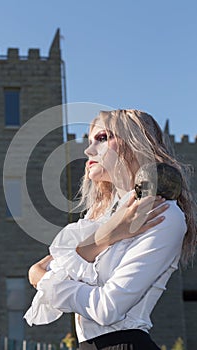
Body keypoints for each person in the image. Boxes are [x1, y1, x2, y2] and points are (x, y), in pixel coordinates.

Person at [24, 109, 196, 350]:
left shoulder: (163, 215)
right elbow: (41, 271)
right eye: (90, 140)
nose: (88, 150)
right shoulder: (99, 218)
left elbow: (107, 309)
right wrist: (108, 235)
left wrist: (45, 280)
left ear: (138, 142)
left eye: (103, 138)